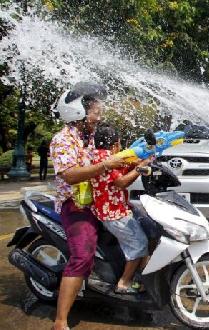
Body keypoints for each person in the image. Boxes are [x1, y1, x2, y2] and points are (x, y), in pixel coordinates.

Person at [50, 82, 125, 330]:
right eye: (96, 112)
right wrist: (105, 166)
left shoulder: (91, 137)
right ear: (78, 113)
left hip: (97, 202)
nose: (99, 116)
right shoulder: (62, 140)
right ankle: (60, 321)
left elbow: (111, 152)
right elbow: (70, 175)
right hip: (75, 206)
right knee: (82, 256)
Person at [90, 123, 150, 294]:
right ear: (115, 143)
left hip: (114, 209)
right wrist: (140, 168)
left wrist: (135, 163)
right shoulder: (107, 158)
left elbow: (121, 169)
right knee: (139, 244)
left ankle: (143, 275)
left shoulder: (100, 155)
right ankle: (124, 283)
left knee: (144, 235)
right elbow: (121, 182)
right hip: (114, 213)